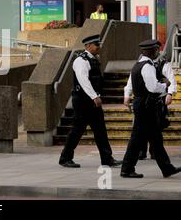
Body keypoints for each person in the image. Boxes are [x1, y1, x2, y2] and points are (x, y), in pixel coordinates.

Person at [59, 34, 121, 168]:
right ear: (88, 46)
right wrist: (94, 96)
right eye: (96, 44)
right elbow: (83, 80)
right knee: (77, 130)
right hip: (83, 100)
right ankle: (65, 158)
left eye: (99, 44)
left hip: (92, 100)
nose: (99, 47)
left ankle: (107, 158)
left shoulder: (93, 59)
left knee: (100, 130)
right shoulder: (81, 60)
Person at [121, 39, 181, 178]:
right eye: (155, 50)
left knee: (155, 138)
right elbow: (153, 87)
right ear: (149, 51)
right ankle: (127, 168)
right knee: (137, 138)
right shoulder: (147, 66)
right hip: (145, 105)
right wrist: (165, 85)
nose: (157, 52)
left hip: (144, 104)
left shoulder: (138, 64)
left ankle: (167, 168)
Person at [124, 51, 177, 160]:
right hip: (144, 101)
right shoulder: (142, 65)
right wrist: (127, 94)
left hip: (158, 99)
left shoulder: (163, 64)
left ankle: (155, 153)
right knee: (145, 129)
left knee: (156, 128)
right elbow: (131, 81)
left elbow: (171, 80)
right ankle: (142, 152)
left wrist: (170, 93)